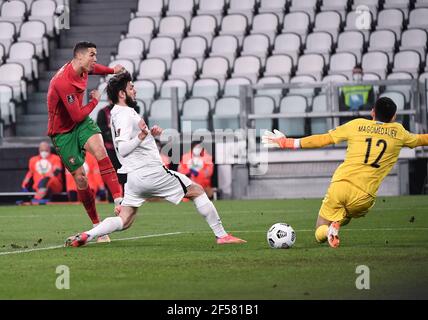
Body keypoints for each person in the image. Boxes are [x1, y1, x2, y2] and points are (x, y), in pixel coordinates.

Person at [65, 72, 246, 247]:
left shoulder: (120, 113)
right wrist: (142, 137)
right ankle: (222, 235)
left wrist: (149, 134)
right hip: (151, 172)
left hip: (135, 179)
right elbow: (123, 148)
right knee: (197, 190)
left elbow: (133, 141)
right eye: (131, 88)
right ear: (122, 93)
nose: (134, 90)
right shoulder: (125, 114)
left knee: (125, 220)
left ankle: (88, 235)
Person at [262, 97, 428, 248]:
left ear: (372, 112)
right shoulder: (399, 133)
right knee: (346, 213)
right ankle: (337, 223)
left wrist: (287, 142)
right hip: (365, 197)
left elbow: (322, 140)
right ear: (393, 117)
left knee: (320, 228)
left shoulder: (356, 125)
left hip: (341, 185)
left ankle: (328, 231)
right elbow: (421, 139)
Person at [47, 41, 125, 242]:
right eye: (92, 55)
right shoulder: (63, 81)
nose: (95, 59)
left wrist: (111, 70)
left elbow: (95, 69)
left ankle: (119, 199)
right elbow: (76, 116)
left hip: (80, 123)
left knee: (101, 151)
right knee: (81, 178)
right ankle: (97, 226)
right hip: (62, 132)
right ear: (79, 56)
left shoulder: (82, 67)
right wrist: (94, 101)